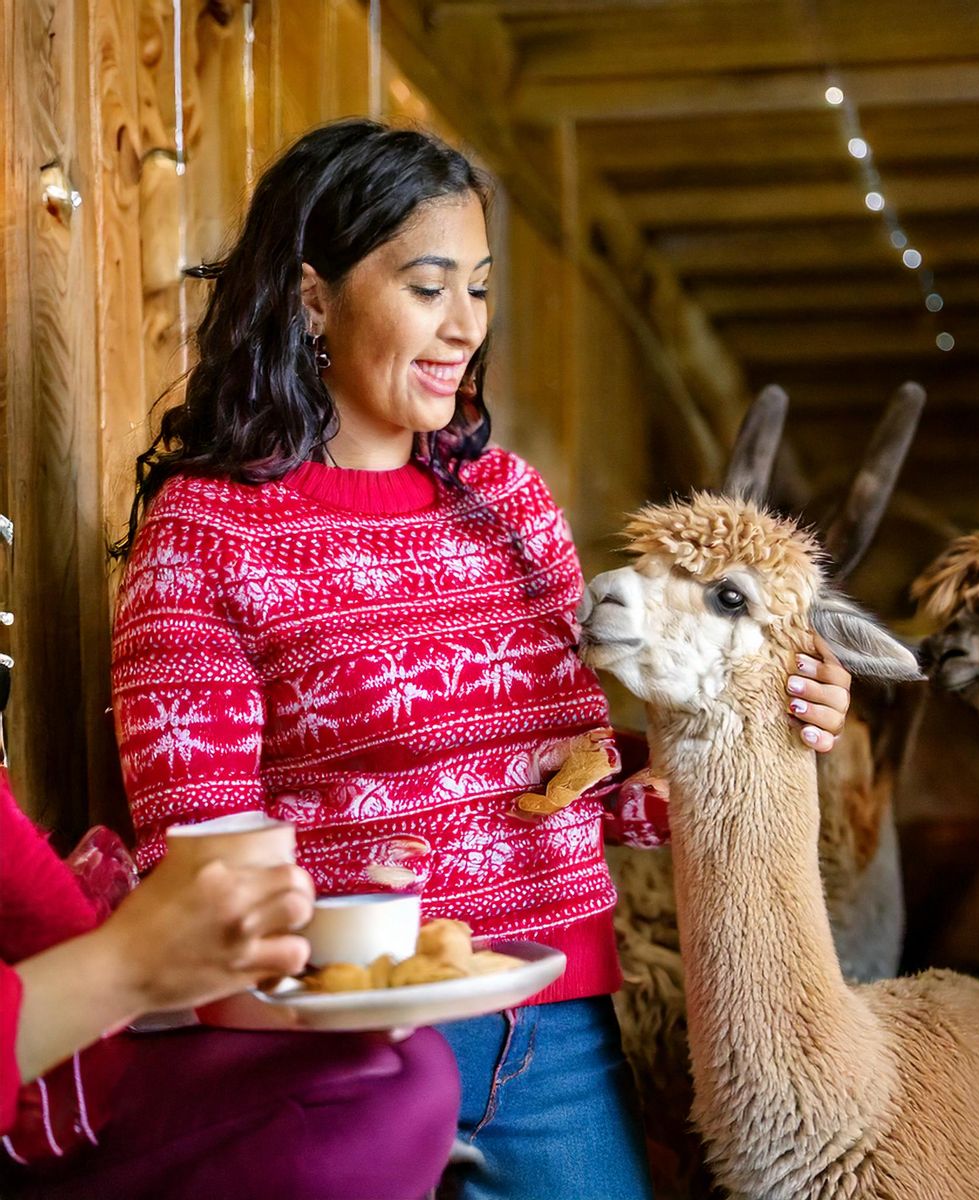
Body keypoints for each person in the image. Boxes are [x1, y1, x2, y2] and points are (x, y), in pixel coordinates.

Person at [110, 119, 852, 1200]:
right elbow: (195, 854)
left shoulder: (508, 502)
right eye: (427, 287)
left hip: (557, 1041)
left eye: (481, 289)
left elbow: (587, 783)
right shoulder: (210, 535)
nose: (464, 327)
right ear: (313, 300)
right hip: (340, 1052)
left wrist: (760, 730)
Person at [0, 770, 460, 1200]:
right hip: (39, 1098)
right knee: (385, 1100)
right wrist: (126, 967)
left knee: (407, 1062)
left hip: (77, 1033)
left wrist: (285, 992)